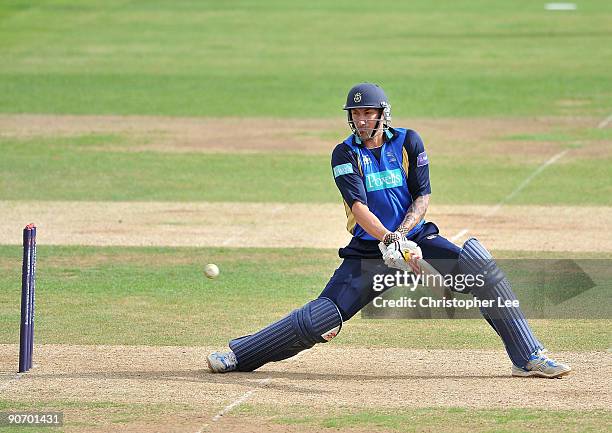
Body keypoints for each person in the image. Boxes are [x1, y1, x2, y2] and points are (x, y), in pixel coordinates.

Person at [207, 83, 571, 379]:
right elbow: (359, 209)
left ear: (383, 114)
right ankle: (239, 355)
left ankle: (528, 357)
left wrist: (404, 235)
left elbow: (422, 196)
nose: (362, 120)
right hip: (369, 249)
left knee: (481, 269)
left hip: (417, 238)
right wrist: (388, 240)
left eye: (369, 112)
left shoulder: (408, 141)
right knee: (321, 320)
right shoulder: (344, 154)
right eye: (356, 113)